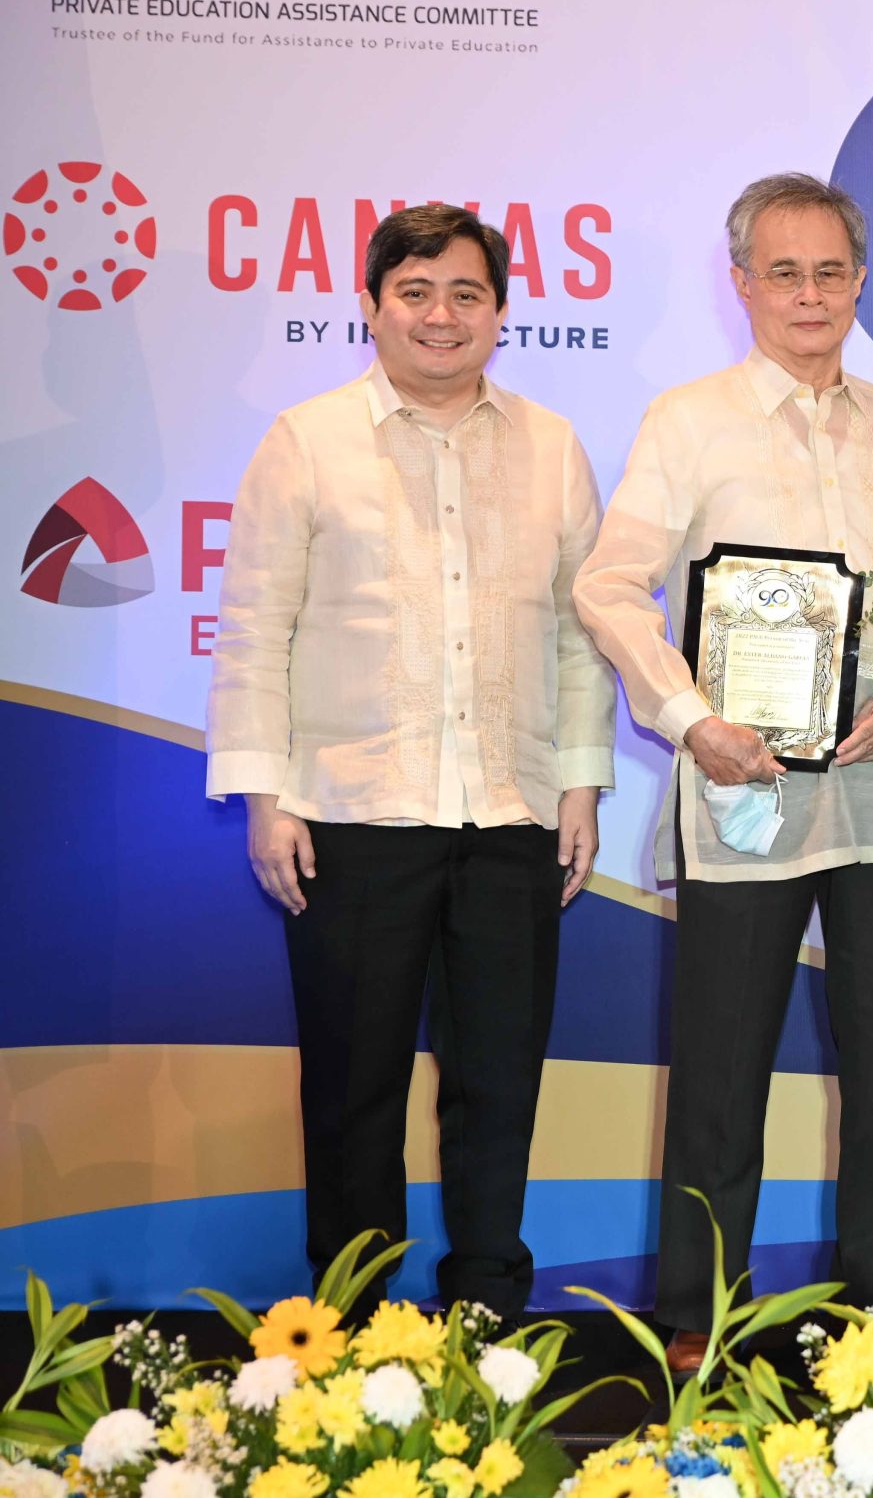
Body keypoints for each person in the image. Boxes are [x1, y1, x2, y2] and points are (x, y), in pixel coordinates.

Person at [573, 173, 873, 1371]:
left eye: (830, 271)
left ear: (861, 282)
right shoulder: (689, 420)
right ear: (740, 283)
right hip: (742, 790)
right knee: (720, 1068)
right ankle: (701, 1315)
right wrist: (690, 718)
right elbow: (609, 585)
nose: (809, 294)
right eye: (783, 271)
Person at [206, 202, 615, 1314]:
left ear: (500, 312)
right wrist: (264, 796)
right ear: (372, 306)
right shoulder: (307, 440)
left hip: (513, 814)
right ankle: (348, 1323)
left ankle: (488, 1313)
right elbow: (255, 627)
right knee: (353, 1087)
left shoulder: (551, 445)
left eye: (466, 294)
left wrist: (582, 782)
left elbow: (581, 630)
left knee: (498, 1083)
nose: (442, 316)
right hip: (350, 815)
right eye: (416, 292)